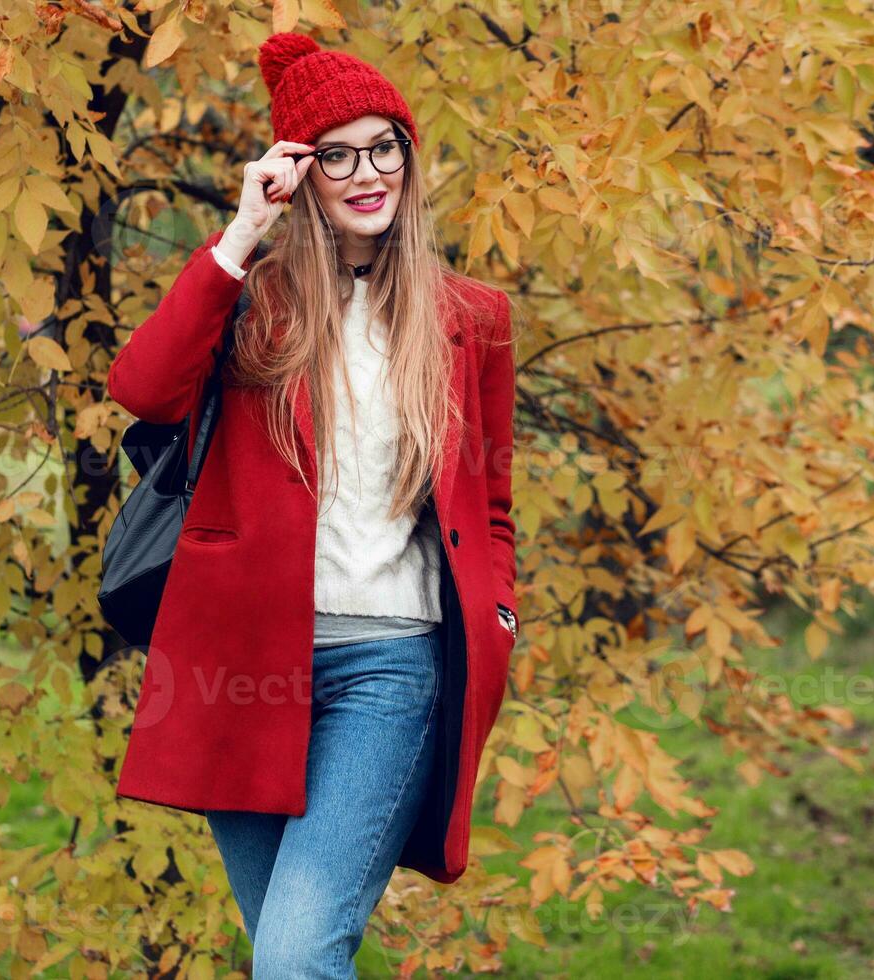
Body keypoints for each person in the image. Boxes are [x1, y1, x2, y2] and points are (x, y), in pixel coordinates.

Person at [106, 30, 520, 979]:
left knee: (294, 959)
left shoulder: (472, 319)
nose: (366, 172)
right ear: (300, 172)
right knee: (290, 960)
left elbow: (490, 502)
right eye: (336, 153)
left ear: (408, 160)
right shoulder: (256, 303)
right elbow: (144, 387)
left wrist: (496, 611)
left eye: (384, 147)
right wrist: (239, 233)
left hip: (390, 668)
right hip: (242, 671)